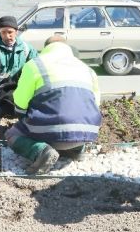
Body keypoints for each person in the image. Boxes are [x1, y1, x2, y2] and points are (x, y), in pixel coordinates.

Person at [6, 35, 101, 174]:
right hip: (87, 133)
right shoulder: (87, 69)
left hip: (51, 132)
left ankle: (42, 152)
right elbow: (96, 103)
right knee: (74, 120)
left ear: (46, 48)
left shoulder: (35, 64)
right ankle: (76, 150)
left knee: (12, 134)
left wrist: (23, 118)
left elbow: (20, 102)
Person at [0, 16, 38, 122]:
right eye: (3, 32)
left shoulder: (26, 49)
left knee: (26, 112)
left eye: (10, 32)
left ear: (16, 32)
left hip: (19, 86)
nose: (7, 36)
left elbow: (37, 71)